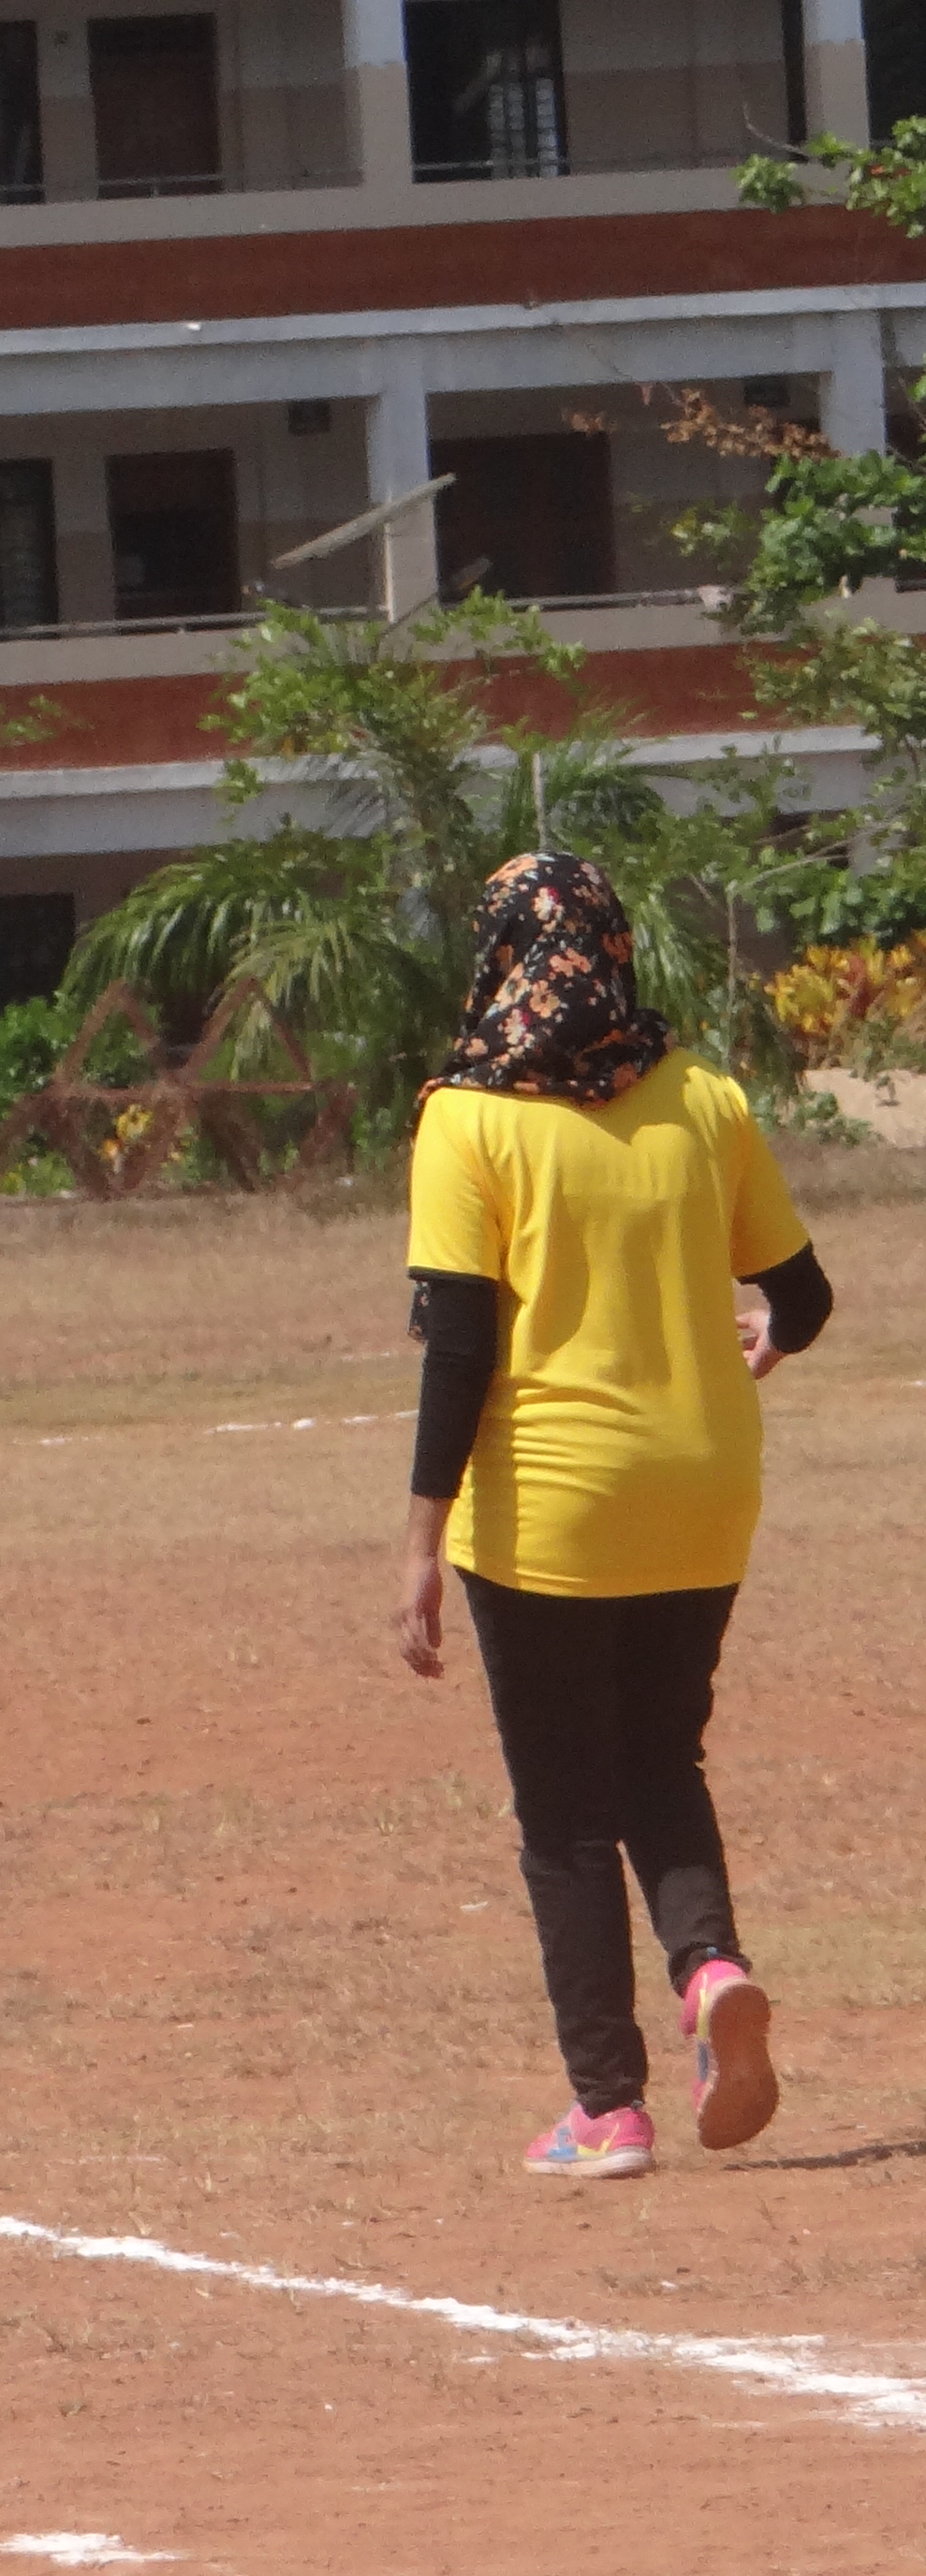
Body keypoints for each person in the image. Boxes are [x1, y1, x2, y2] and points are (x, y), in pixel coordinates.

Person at [393, 852, 825, 2179]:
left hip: (552, 1508)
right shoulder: (702, 1096)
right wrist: (760, 1342)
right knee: (660, 1762)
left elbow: (460, 1347)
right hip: (703, 1491)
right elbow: (803, 1297)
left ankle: (608, 2110)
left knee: (565, 1812)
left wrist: (420, 1539)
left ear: (498, 958)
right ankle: (710, 1971)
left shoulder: (467, 1117)